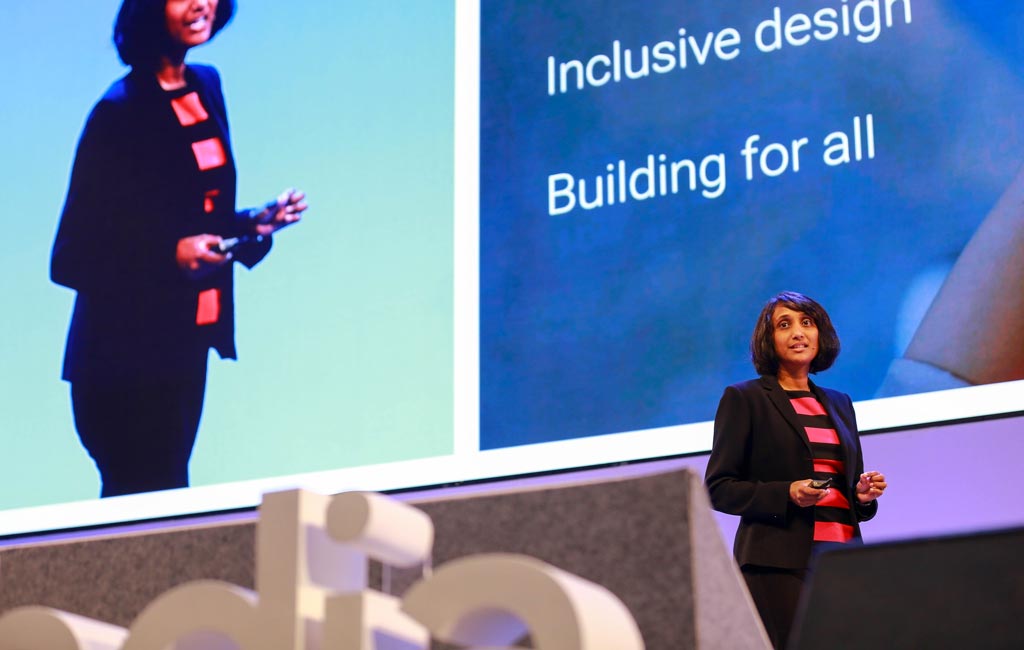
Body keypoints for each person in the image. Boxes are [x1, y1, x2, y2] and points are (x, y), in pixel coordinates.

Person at [50, 0, 306, 497]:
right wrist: (169, 257)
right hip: (122, 363)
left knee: (168, 498)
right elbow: (71, 257)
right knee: (145, 506)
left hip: (184, 347)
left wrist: (254, 223)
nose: (200, 4)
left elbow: (192, 215)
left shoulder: (205, 86)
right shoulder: (118, 111)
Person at [704, 291, 887, 649]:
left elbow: (848, 492)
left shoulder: (839, 403)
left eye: (807, 323)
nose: (798, 332)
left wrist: (862, 496)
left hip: (841, 558)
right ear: (768, 339)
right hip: (778, 563)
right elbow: (718, 487)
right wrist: (786, 493)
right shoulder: (745, 399)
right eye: (784, 325)